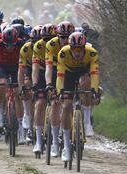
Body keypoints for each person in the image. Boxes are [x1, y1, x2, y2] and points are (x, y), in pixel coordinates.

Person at [56, 32, 100, 161]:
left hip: (83, 71)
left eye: (79, 49)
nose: (76, 52)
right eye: (73, 48)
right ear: (70, 47)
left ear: (84, 47)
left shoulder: (91, 53)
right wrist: (60, 91)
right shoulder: (63, 53)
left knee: (86, 83)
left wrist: (94, 90)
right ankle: (66, 145)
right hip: (68, 74)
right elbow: (60, 76)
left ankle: (87, 123)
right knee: (66, 106)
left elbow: (95, 74)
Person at [0, 26, 25, 144]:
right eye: (7, 45)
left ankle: (21, 128)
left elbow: (24, 67)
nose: (10, 47)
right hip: (2, 66)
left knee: (18, 94)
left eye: (12, 45)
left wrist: (21, 87)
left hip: (17, 67)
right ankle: (0, 111)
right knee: (2, 84)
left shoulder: (21, 45)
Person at [45, 21, 75, 157]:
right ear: (57, 36)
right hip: (56, 71)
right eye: (62, 37)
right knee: (55, 104)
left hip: (70, 72)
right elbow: (49, 68)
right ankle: (55, 143)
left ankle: (68, 142)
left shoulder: (76, 44)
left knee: (68, 105)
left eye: (67, 37)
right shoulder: (51, 45)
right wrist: (49, 85)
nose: (65, 40)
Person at [31, 23, 56, 153]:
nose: (48, 42)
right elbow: (35, 68)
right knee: (40, 103)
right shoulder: (38, 46)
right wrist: (34, 83)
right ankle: (39, 142)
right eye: (45, 39)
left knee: (57, 102)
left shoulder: (58, 45)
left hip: (57, 71)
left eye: (50, 39)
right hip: (41, 72)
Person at [18, 25, 42, 133]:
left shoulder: (46, 47)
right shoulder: (26, 48)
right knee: (27, 85)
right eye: (34, 41)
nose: (36, 44)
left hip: (44, 68)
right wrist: (21, 87)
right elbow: (21, 70)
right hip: (29, 67)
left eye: (39, 41)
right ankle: (27, 113)